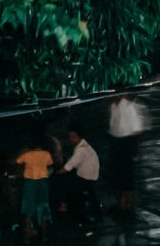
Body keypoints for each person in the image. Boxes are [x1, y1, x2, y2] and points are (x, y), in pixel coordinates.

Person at [105, 91, 147, 231]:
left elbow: (136, 130)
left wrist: (133, 149)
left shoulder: (129, 108)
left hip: (127, 143)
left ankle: (127, 204)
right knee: (119, 174)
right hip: (116, 143)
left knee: (127, 176)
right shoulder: (113, 106)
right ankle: (122, 203)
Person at [11, 137, 56, 243]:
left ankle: (27, 238)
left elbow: (16, 161)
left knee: (27, 210)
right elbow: (50, 163)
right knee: (43, 207)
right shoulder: (46, 154)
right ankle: (44, 236)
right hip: (42, 183)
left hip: (30, 183)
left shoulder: (27, 154)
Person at [57, 127, 101, 232]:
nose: (71, 139)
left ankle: (67, 209)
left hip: (86, 177)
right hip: (90, 176)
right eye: (70, 137)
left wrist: (56, 173)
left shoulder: (81, 150)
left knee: (67, 186)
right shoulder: (83, 146)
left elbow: (68, 167)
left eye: (73, 137)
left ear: (80, 137)